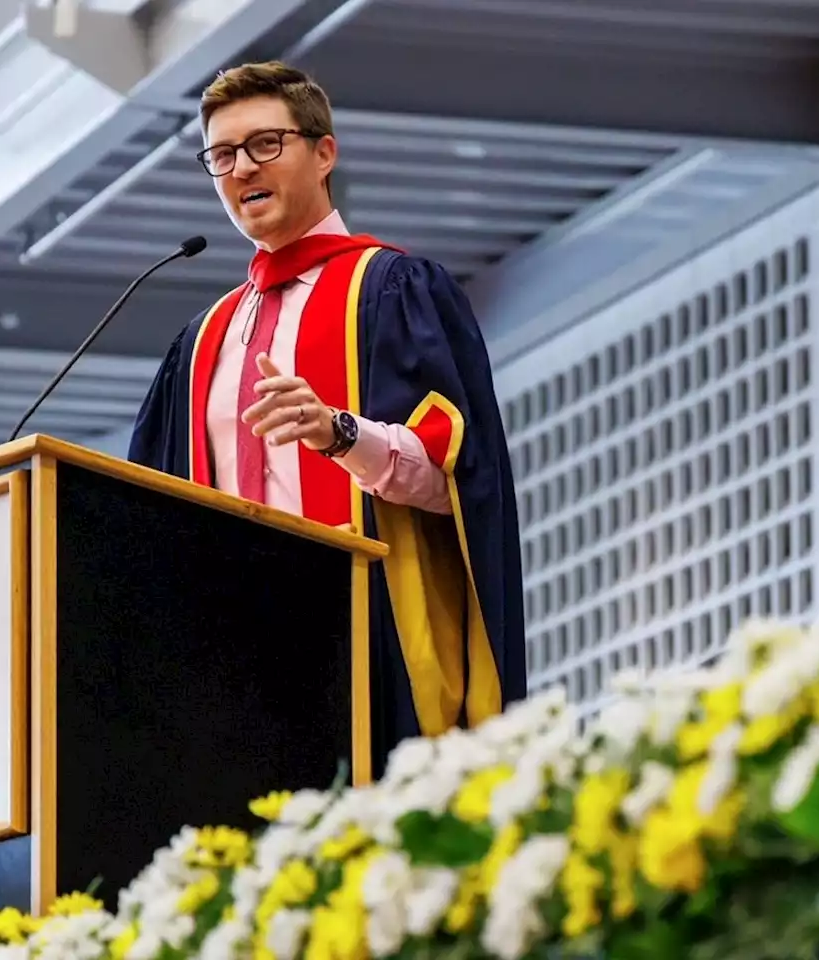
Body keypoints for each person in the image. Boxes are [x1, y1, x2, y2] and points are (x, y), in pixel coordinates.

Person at [127, 60, 527, 774]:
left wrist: (338, 434)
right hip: (230, 668)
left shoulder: (392, 289)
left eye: (264, 144)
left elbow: (456, 475)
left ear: (324, 152)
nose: (242, 167)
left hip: (365, 633)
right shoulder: (198, 347)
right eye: (222, 154)